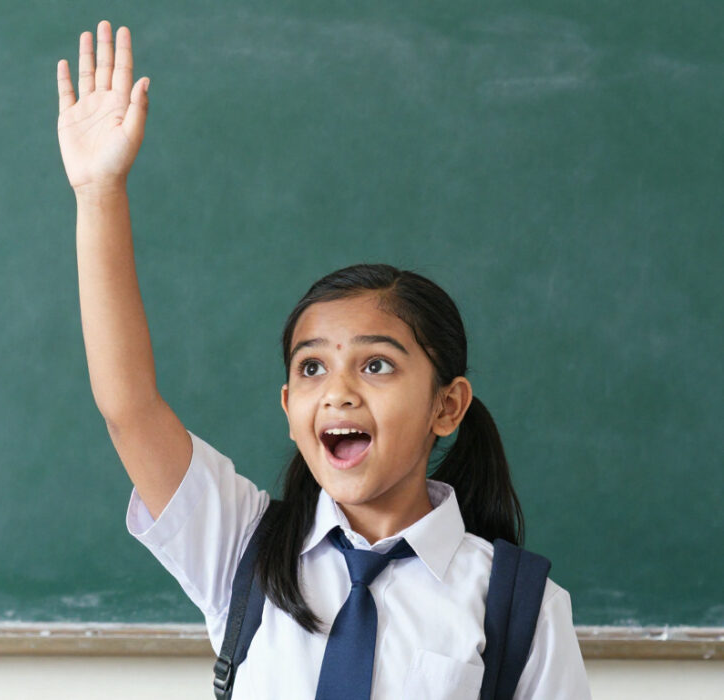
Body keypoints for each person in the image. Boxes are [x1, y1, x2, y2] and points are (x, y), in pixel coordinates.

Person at [56, 20, 591, 699]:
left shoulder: (519, 605)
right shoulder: (244, 548)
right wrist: (99, 193)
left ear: (448, 405)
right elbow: (128, 406)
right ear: (289, 408)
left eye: (376, 365)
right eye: (312, 368)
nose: (338, 391)